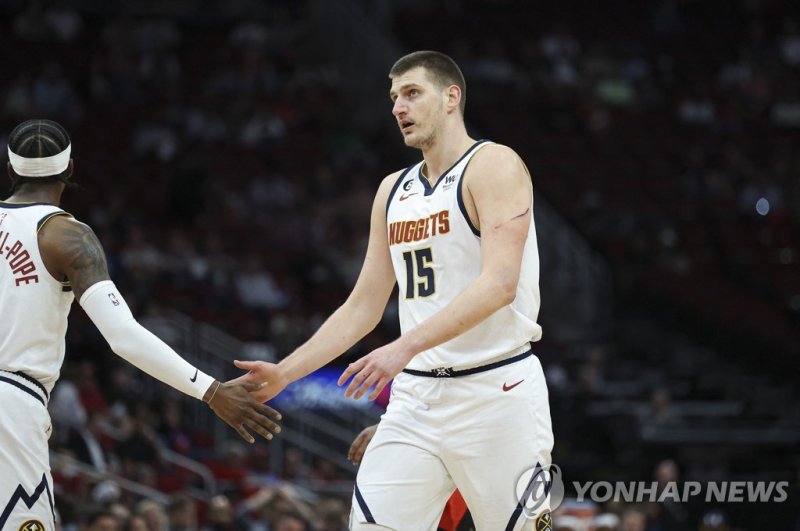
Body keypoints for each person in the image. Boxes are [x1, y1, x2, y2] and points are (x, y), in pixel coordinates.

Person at [234, 50, 554, 530]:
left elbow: (500, 284)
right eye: (393, 98)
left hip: (498, 389)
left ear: (451, 97)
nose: (397, 108)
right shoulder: (391, 191)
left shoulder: (494, 164)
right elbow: (362, 306)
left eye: (411, 93)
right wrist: (285, 373)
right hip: (417, 397)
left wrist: (401, 348)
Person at [0, 119, 282, 531]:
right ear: (71, 169)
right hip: (10, 400)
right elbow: (123, 335)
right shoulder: (65, 236)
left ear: (10, 169)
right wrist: (211, 390)